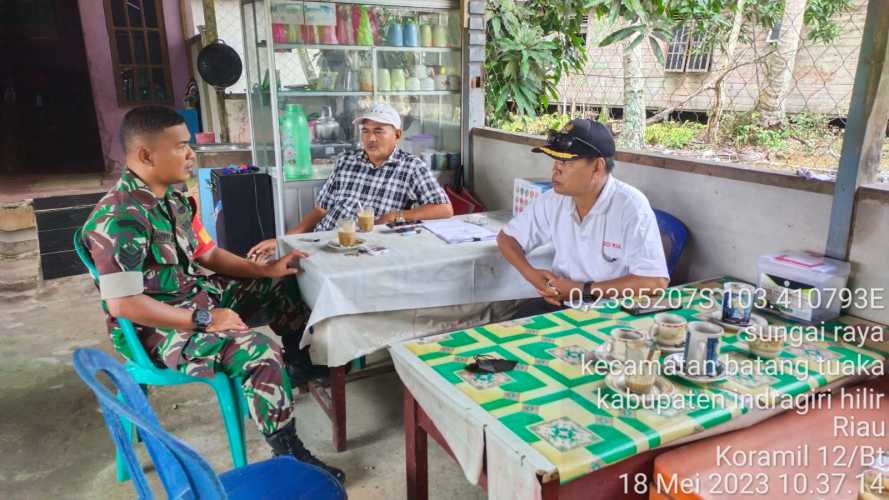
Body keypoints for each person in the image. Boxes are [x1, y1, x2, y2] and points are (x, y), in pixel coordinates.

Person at [80, 106, 345, 482]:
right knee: (257, 350)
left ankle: (299, 365)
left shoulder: (172, 199)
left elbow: (208, 254)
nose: (191, 155)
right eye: (181, 147)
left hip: (197, 298)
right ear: (145, 155)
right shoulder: (118, 218)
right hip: (157, 328)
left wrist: (265, 270)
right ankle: (289, 456)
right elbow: (125, 305)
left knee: (284, 282)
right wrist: (205, 319)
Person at [497, 119, 670, 319]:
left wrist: (582, 290)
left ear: (597, 167)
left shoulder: (631, 206)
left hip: (610, 313)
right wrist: (531, 274)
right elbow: (507, 238)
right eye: (555, 161)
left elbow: (654, 282)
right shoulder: (555, 199)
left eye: (567, 162)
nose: (556, 170)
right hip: (562, 304)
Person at [247, 102, 453, 260]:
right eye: (365, 131)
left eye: (379, 131)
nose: (371, 138)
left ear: (397, 135)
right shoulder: (346, 161)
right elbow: (320, 210)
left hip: (364, 250)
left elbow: (444, 209)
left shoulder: (410, 167)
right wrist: (283, 242)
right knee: (267, 266)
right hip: (325, 241)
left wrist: (396, 216)